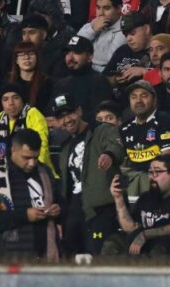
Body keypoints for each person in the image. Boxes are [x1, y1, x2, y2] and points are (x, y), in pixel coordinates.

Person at [53, 94, 124, 256]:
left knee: (99, 261)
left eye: (69, 113)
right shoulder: (64, 148)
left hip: (99, 212)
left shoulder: (101, 130)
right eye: (61, 117)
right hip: (73, 215)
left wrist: (109, 155)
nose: (66, 120)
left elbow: (116, 146)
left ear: (79, 111)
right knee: (72, 264)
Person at [0, 128, 64, 259]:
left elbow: (60, 202)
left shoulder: (45, 172)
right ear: (13, 149)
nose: (32, 163)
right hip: (12, 256)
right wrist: (25, 215)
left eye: (35, 158)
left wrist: (58, 210)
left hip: (46, 254)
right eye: (26, 157)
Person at [105, 154, 170, 256]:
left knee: (161, 247)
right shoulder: (147, 197)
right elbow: (131, 228)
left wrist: (146, 234)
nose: (152, 177)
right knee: (113, 243)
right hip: (150, 247)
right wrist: (118, 198)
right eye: (150, 172)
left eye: (157, 172)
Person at [119, 80, 170, 195]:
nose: (138, 101)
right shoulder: (124, 128)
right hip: (133, 179)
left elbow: (168, 158)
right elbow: (123, 161)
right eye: (134, 97)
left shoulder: (165, 121)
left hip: (159, 179)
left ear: (154, 100)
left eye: (144, 96)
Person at [54, 35, 115, 120]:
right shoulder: (61, 85)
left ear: (90, 57)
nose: (70, 57)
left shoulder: (100, 82)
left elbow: (100, 116)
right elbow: (54, 111)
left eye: (76, 52)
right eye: (67, 53)